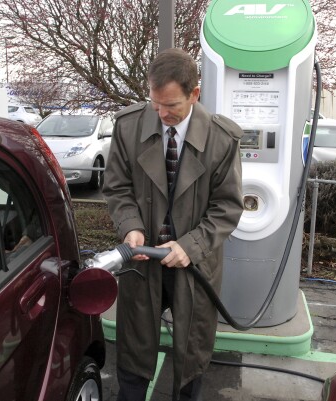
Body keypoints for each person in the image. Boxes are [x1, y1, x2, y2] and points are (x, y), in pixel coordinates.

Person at [102, 48, 244, 401]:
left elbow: (227, 207)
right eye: (155, 103)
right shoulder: (128, 127)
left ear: (194, 94)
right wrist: (131, 227)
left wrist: (190, 247)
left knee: (191, 353)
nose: (162, 114)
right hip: (141, 263)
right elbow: (117, 188)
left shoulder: (222, 139)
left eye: (172, 106)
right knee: (134, 350)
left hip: (192, 266)